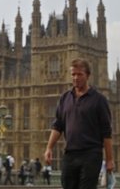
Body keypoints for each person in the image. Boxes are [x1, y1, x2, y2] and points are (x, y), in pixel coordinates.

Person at [44, 58, 114, 189]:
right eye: (73, 74)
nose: (76, 77)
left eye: (79, 74)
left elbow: (106, 132)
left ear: (88, 75)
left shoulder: (99, 100)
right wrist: (49, 148)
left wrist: (109, 159)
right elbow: (58, 125)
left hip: (91, 154)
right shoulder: (65, 98)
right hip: (70, 154)